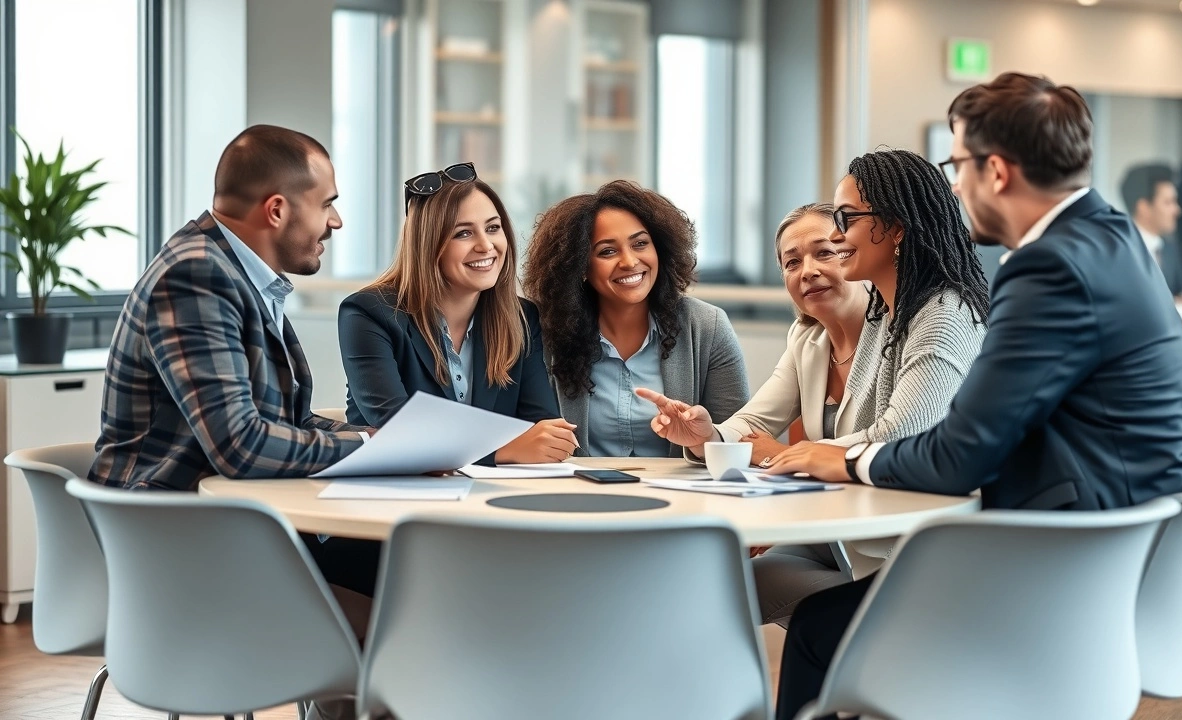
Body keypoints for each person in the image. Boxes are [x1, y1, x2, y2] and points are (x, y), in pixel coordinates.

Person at [767, 72, 1182, 720]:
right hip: (1126, 547)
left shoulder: (1049, 266)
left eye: (958, 164)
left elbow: (959, 457)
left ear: (996, 171)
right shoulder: (1110, 235)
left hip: (1074, 567)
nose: (954, 186)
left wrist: (846, 459)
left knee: (816, 627)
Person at [644, 150, 990, 624]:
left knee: (735, 593)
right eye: (791, 262)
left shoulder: (930, 314)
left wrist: (774, 454)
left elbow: (900, 435)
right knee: (713, 579)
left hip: (907, 540)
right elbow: (755, 423)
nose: (809, 268)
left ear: (893, 228)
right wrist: (707, 436)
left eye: (831, 243)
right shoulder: (826, 333)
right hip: (849, 527)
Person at [90, 125, 372, 492]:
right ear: (276, 211)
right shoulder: (196, 275)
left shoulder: (237, 274)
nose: (336, 221)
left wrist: (380, 441)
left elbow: (288, 424)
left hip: (222, 516)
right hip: (169, 528)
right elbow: (240, 446)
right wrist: (370, 448)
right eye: (326, 204)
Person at [339, 164, 570, 465]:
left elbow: (543, 432)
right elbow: (396, 426)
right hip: (396, 494)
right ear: (428, 245)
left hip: (493, 494)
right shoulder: (368, 314)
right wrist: (501, 450)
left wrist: (535, 443)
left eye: (492, 228)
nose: (486, 246)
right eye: (463, 233)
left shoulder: (522, 318)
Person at [521, 180, 750, 457]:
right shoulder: (543, 332)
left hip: (681, 496)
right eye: (607, 251)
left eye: (640, 244)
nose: (629, 262)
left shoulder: (707, 326)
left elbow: (740, 442)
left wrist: (702, 440)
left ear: (660, 250)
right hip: (580, 495)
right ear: (580, 266)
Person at [1121, 163, 1182, 302]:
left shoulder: (1169, 248)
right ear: (1143, 207)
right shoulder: (1119, 249)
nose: (1177, 210)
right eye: (1168, 202)